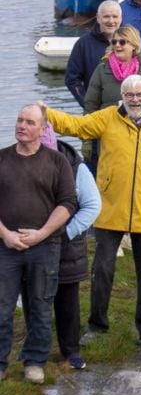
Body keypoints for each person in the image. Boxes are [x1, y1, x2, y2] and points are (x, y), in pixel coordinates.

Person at [44, 75, 141, 351]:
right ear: (122, 96)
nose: (135, 99)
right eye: (130, 94)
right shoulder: (108, 116)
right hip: (110, 206)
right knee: (101, 270)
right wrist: (45, 114)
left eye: (140, 94)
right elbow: (77, 126)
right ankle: (97, 326)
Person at [0, 105, 77, 384]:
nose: (21, 125)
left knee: (41, 306)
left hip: (45, 247)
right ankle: (0, 363)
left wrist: (42, 233)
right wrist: (6, 234)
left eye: (29, 122)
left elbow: (68, 204)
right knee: (2, 306)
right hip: (5, 246)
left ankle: (34, 361)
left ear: (43, 129)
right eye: (19, 120)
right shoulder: (2, 158)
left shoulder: (58, 162)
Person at [27, 128, 100, 372]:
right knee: (33, 296)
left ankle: (71, 351)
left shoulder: (76, 167)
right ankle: (35, 351)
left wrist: (66, 233)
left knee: (67, 298)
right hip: (29, 243)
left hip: (64, 245)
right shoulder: (20, 161)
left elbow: (92, 206)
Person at [85, 25, 141, 112]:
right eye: (114, 42)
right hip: (109, 122)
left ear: (134, 45)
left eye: (122, 42)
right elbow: (90, 104)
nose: (117, 45)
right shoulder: (102, 69)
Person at [67, 1, 122, 108]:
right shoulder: (83, 44)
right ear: (98, 18)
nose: (111, 21)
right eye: (106, 17)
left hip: (126, 110)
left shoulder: (130, 42)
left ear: (121, 18)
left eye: (115, 17)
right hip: (95, 111)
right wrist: (87, 104)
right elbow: (72, 79)